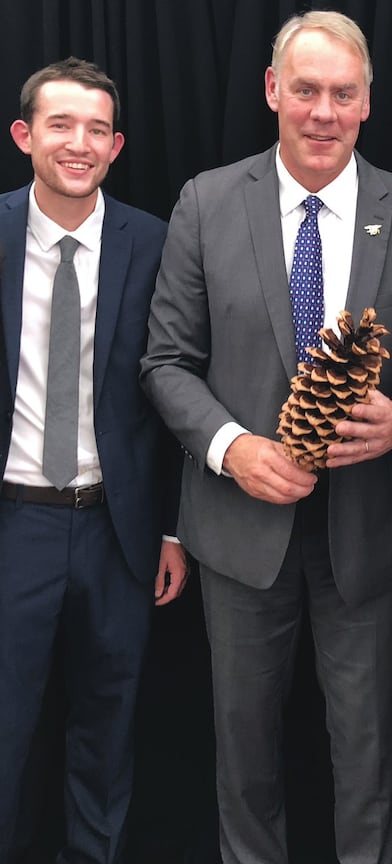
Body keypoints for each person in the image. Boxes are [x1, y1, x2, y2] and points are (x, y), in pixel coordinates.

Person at [141, 10, 392, 864]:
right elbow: (166, 362)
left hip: (367, 539)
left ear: (367, 105)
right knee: (243, 759)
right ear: (273, 90)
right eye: (308, 89)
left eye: (343, 94)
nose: (324, 111)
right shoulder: (206, 203)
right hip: (238, 539)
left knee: (369, 759)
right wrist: (232, 448)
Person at [0, 57, 188, 863]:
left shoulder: (155, 241)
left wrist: (172, 530)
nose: (79, 143)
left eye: (97, 130)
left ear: (116, 147)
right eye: (60, 124)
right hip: (15, 524)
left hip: (118, 531)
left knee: (105, 737)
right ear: (24, 135)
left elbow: (177, 386)